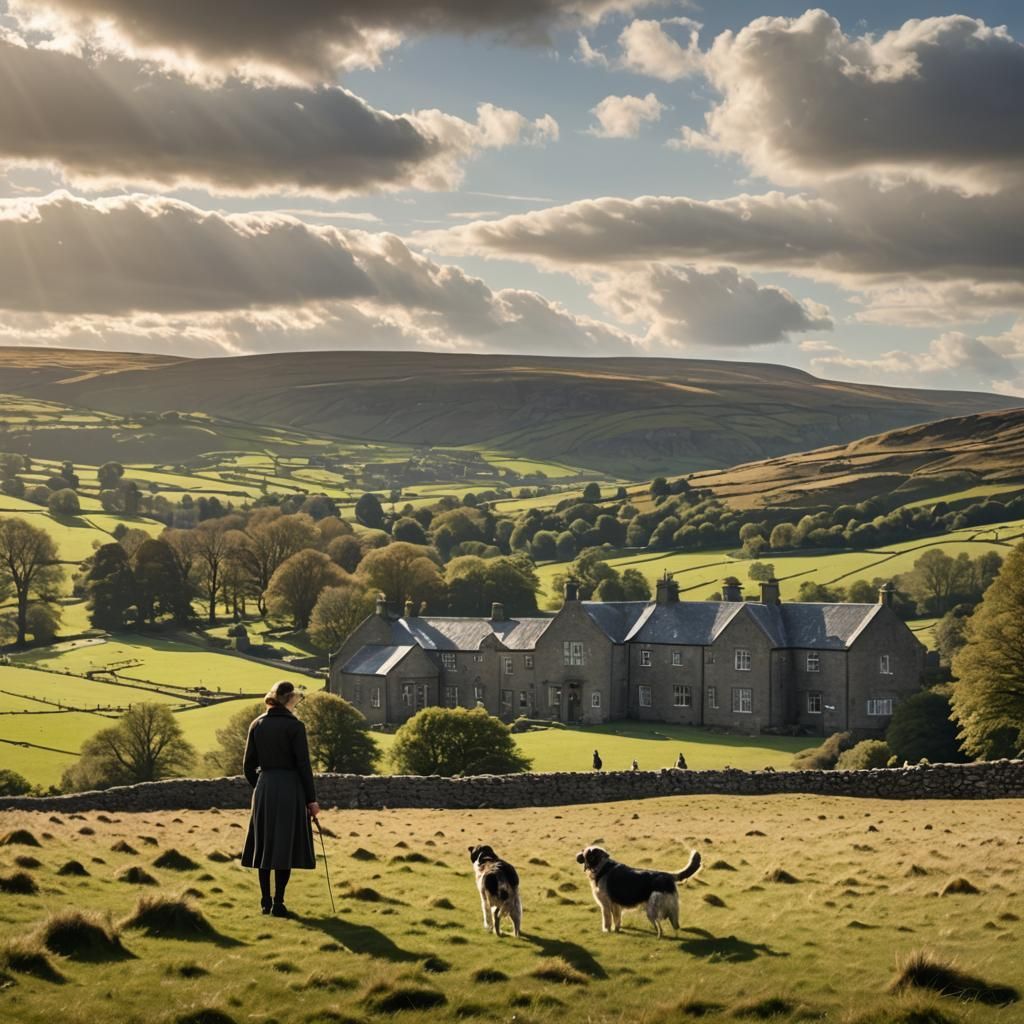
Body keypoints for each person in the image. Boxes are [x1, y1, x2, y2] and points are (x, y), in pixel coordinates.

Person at [241, 680, 319, 917]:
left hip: (264, 789)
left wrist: (262, 786)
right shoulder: (295, 727)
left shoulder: (257, 725)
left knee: (264, 847)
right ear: (288, 700)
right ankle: (278, 902)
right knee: (283, 848)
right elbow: (303, 765)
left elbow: (247, 766)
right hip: (290, 790)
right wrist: (311, 800)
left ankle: (265, 901)